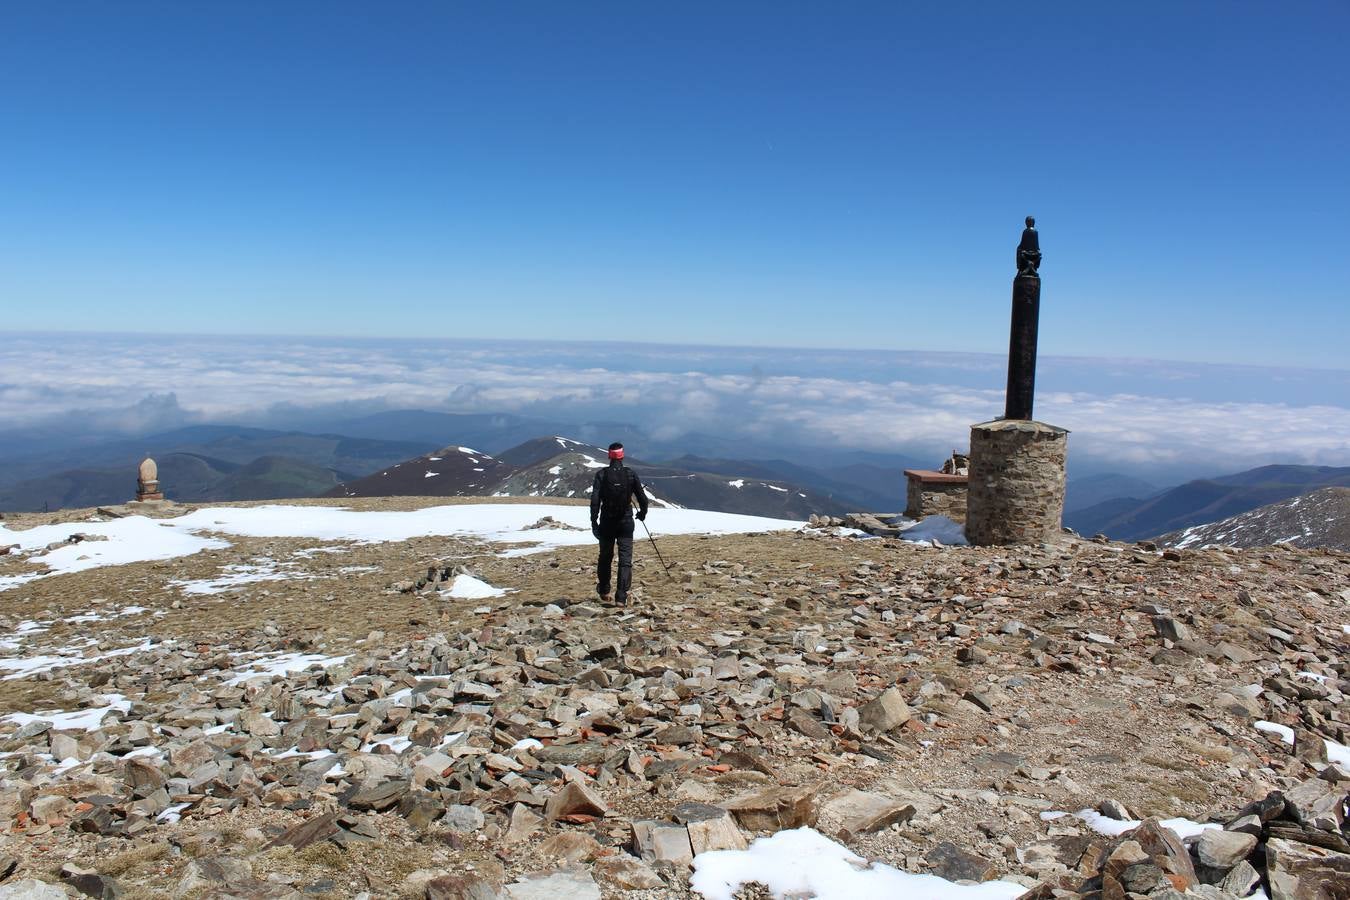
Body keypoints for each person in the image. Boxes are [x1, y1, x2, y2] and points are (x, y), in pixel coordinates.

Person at [590, 442, 649, 604]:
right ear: (622, 455)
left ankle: (604, 590)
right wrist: (642, 514)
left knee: (605, 557)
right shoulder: (630, 474)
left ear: (609, 455)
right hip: (626, 523)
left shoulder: (601, 475)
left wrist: (594, 520)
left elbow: (595, 500)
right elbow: (643, 499)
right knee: (625, 560)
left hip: (607, 522)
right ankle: (621, 597)